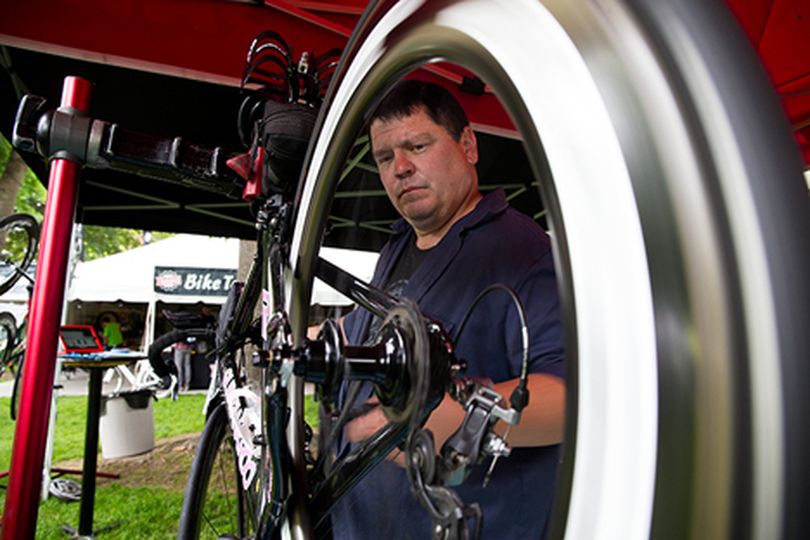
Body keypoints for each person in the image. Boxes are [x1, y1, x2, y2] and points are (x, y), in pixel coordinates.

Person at [329, 80, 566, 539]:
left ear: (468, 145)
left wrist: (450, 416)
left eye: (417, 145)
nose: (400, 168)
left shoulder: (524, 252)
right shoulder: (396, 248)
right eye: (383, 157)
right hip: (360, 522)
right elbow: (372, 332)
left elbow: (565, 396)